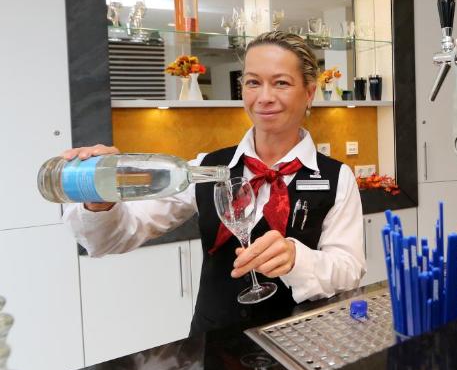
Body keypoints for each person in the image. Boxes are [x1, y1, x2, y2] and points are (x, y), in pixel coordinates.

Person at [64, 31, 365, 335]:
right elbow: (116, 237)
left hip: (301, 342)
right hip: (213, 345)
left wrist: (298, 259)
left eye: (281, 83)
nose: (264, 97)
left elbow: (349, 270)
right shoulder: (206, 168)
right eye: (253, 82)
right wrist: (99, 201)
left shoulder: (337, 177)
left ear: (309, 93)